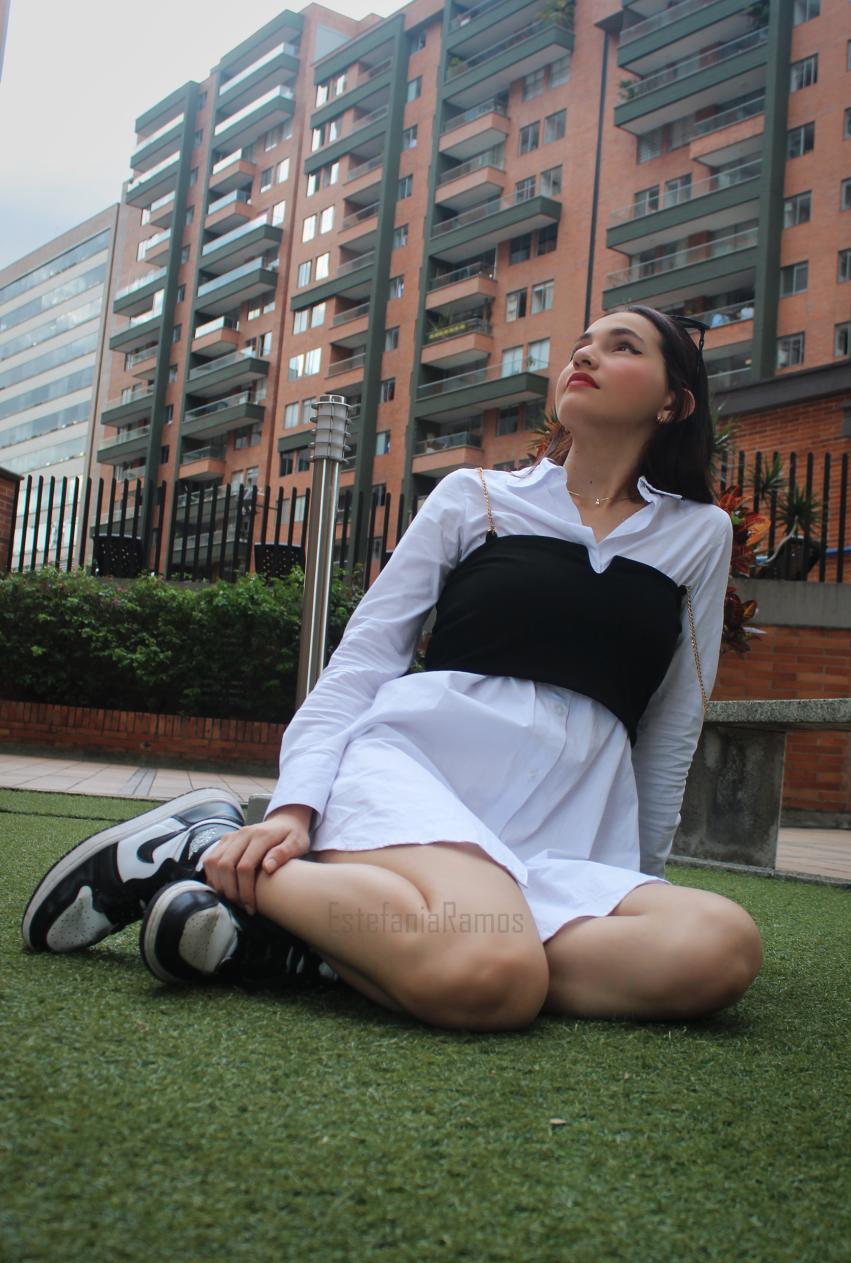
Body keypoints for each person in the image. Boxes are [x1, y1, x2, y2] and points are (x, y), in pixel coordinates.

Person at [22, 306, 763, 1030]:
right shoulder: (476, 497)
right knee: (497, 975)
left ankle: (301, 943)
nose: (585, 354)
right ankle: (200, 847)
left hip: (562, 831)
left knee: (717, 947)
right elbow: (364, 661)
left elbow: (672, 722)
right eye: (583, 342)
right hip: (418, 783)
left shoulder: (698, 533)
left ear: (673, 402)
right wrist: (294, 807)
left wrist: (638, 878)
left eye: (623, 346)